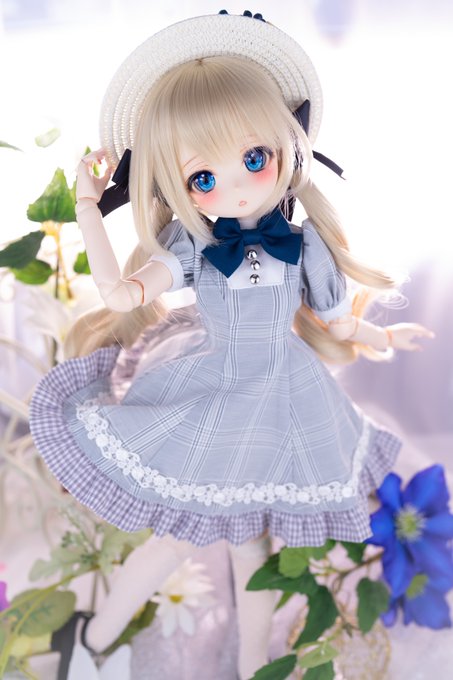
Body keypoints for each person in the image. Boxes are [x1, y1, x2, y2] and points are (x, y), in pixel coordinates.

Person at [29, 11, 433, 678]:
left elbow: (335, 322)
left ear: (284, 144)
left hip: (281, 406)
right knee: (173, 540)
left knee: (251, 550)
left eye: (253, 158)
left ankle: (246, 663)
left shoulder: (304, 246)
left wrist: (381, 334)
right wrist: (87, 209)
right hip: (212, 399)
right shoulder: (193, 245)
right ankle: (92, 641)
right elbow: (121, 294)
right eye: (202, 177)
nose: (238, 185)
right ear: (177, 185)